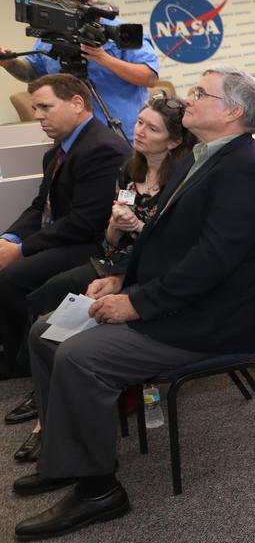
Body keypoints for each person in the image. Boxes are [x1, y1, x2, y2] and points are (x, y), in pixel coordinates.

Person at [12, 66, 255, 541]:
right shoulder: (203, 155)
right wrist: (119, 279)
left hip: (209, 321)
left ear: (233, 112)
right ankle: (63, 458)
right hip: (177, 301)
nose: (189, 99)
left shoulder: (245, 170)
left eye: (201, 93)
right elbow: (162, 239)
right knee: (45, 333)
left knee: (80, 356)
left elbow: (210, 264)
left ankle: (98, 491)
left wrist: (136, 305)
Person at [13, 93, 194, 463]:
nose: (138, 131)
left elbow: (174, 249)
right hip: (117, 261)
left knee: (56, 294)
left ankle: (55, 408)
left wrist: (138, 228)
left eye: (151, 127)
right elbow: (110, 241)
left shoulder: (185, 179)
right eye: (139, 122)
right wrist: (115, 229)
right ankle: (52, 397)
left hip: (148, 271)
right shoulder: (130, 170)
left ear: (174, 140)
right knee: (48, 306)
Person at [0, 74, 132, 380]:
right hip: (70, 237)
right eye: (35, 109)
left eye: (45, 107)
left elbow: (86, 223)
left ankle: (24, 363)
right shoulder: (59, 151)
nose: (37, 116)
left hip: (96, 244)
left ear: (77, 103)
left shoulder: (102, 149)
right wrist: (9, 238)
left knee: (9, 279)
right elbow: (40, 207)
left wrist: (20, 251)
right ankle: (16, 349)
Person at [0, 0, 160, 142]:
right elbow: (32, 73)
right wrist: (9, 63)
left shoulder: (123, 32)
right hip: (70, 136)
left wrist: (104, 59)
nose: (85, 1)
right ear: (61, 1)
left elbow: (149, 77)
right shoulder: (52, 36)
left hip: (122, 134)